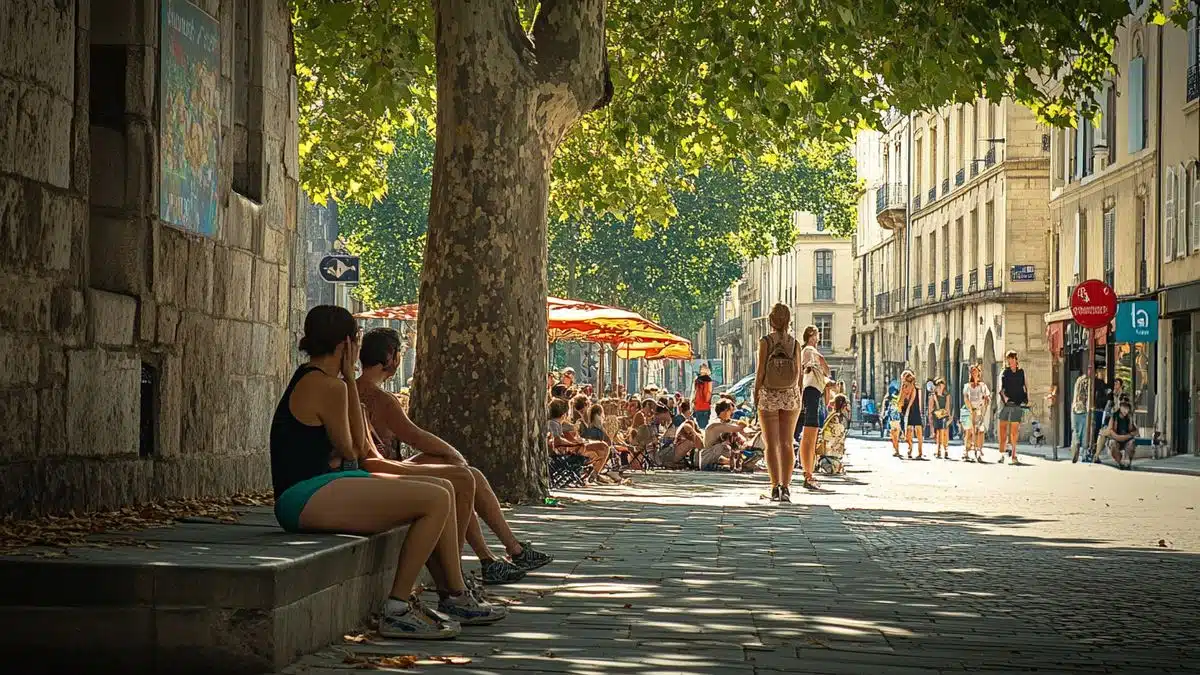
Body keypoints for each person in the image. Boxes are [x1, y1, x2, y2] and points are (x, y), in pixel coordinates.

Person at [270, 306, 505, 640]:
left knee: (443, 488)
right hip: (306, 494)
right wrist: (350, 381)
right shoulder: (327, 386)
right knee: (436, 497)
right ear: (347, 344)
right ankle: (398, 608)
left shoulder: (324, 381)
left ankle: (453, 592)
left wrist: (349, 383)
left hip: (327, 486)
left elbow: (350, 452)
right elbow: (353, 450)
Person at [356, 328, 552, 586]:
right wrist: (453, 453)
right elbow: (415, 436)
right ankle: (494, 558)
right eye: (400, 353)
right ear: (390, 356)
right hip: (380, 472)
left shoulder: (353, 390)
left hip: (382, 468)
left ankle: (499, 556)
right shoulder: (382, 400)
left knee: (467, 476)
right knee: (461, 475)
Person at [753, 304, 802, 501]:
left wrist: (756, 392)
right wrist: (795, 394)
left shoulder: (766, 341)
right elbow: (798, 373)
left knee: (771, 444)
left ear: (771, 321)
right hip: (790, 394)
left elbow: (761, 371)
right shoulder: (795, 344)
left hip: (769, 394)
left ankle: (775, 487)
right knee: (787, 442)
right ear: (789, 321)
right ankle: (786, 487)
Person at [548, 398, 612, 481]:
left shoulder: (557, 423)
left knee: (598, 450)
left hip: (566, 453)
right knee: (603, 447)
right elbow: (557, 441)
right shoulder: (554, 423)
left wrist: (576, 442)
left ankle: (593, 473)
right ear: (563, 413)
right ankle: (594, 473)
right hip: (566, 454)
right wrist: (574, 444)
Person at [997, 350, 1028, 465]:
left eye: (1011, 359)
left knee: (1014, 431)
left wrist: (1025, 400)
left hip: (1017, 403)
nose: (1010, 361)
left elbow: (1025, 386)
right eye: (1008, 359)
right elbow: (1001, 388)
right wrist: (1005, 399)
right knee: (1003, 430)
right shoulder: (1004, 372)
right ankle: (1002, 454)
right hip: (1005, 404)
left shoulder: (1021, 372)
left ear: (1016, 359)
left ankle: (1014, 455)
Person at [700, 400, 748, 470]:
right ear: (726, 411)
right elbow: (740, 427)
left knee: (734, 439)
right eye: (731, 411)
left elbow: (742, 433)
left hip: (717, 459)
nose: (732, 414)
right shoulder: (716, 424)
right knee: (725, 443)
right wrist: (741, 421)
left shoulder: (722, 423)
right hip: (708, 461)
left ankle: (733, 462)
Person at [961, 364, 991, 462]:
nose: (974, 373)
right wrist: (971, 410)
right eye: (972, 372)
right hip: (969, 410)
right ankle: (967, 450)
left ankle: (979, 450)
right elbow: (966, 398)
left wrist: (987, 399)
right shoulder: (967, 386)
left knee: (980, 431)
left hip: (979, 411)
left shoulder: (983, 386)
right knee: (969, 431)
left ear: (979, 373)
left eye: (976, 371)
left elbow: (987, 396)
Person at [817, 394, 850, 475]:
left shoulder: (834, 416)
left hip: (829, 447)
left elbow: (827, 433)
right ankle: (836, 466)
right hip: (836, 449)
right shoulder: (842, 417)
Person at [1105, 397, 1138, 470]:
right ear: (1120, 407)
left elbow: (1135, 431)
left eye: (1127, 408)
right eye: (1123, 407)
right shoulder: (1114, 416)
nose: (1125, 410)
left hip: (1126, 440)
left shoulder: (1129, 417)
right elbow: (1110, 431)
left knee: (1132, 442)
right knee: (1112, 443)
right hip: (1116, 439)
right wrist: (1121, 437)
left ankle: (1127, 461)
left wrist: (1130, 435)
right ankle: (1120, 462)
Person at [898, 370, 925, 460]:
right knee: (908, 433)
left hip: (915, 410)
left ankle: (920, 452)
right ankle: (910, 449)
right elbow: (900, 400)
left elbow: (918, 400)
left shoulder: (916, 388)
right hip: (906, 411)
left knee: (918, 432)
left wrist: (921, 412)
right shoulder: (903, 387)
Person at [1069, 370, 1091, 463]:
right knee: (1084, 431)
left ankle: (1076, 443)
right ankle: (1084, 452)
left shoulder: (1078, 381)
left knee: (1075, 430)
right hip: (1085, 409)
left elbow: (1075, 396)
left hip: (1075, 407)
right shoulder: (1089, 382)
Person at [929, 378, 951, 459]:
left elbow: (947, 407)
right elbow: (931, 407)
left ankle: (945, 450)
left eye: (942, 385)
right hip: (936, 415)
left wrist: (948, 416)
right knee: (938, 433)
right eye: (939, 386)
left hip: (944, 415)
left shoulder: (947, 395)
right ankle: (938, 450)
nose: (940, 387)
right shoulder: (933, 395)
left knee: (944, 433)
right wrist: (930, 418)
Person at [692, 363, 715, 429]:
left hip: (697, 406)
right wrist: (707, 402)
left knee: (699, 426)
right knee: (704, 427)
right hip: (705, 407)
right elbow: (708, 393)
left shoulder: (697, 380)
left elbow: (694, 392)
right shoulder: (708, 380)